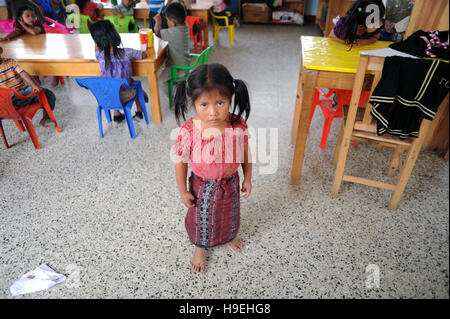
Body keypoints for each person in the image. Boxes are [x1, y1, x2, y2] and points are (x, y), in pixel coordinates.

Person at [172, 63, 252, 273]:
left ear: (230, 98)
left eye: (220, 102)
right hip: (202, 186)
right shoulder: (190, 130)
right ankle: (200, 247)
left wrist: (248, 177)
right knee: (202, 219)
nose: (214, 112)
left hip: (231, 181)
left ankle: (228, 236)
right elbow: (181, 162)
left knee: (229, 214)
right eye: (204, 105)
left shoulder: (236, 124)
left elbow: (245, 152)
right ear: (194, 103)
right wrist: (183, 191)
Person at [89, 20, 148, 122]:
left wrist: (97, 41)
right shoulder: (127, 52)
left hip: (107, 97)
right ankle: (139, 111)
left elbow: (97, 49)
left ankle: (116, 114)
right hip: (126, 95)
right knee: (134, 83)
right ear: (115, 35)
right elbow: (143, 55)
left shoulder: (99, 55)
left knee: (111, 82)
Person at [0, 4, 62, 86]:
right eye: (27, 16)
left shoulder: (37, 24)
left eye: (33, 16)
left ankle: (55, 74)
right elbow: (16, 32)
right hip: (30, 49)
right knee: (29, 61)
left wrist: (23, 25)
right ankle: (34, 75)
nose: (31, 18)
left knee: (48, 61)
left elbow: (34, 32)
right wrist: (7, 37)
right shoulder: (20, 26)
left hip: (43, 48)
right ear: (21, 18)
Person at [0, 46, 57, 127]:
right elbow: (23, 73)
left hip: (13, 100)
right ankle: (45, 118)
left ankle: (45, 118)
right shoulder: (10, 62)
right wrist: (34, 86)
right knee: (47, 94)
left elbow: (23, 73)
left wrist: (34, 85)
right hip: (12, 100)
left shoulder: (10, 62)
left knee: (45, 94)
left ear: (1, 51)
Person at [153, 1, 190, 89]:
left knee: (161, 81)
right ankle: (178, 89)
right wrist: (164, 19)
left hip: (177, 67)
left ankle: (176, 99)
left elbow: (157, 32)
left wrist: (158, 21)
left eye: (167, 20)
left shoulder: (174, 32)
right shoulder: (185, 26)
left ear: (173, 22)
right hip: (185, 64)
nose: (167, 22)